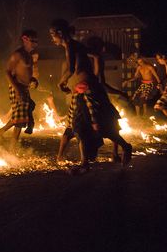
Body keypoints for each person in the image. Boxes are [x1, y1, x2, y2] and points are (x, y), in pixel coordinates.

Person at [50, 19, 131, 172]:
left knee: (92, 126)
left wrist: (61, 83)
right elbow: (95, 56)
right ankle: (84, 162)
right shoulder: (77, 45)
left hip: (88, 91)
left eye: (52, 34)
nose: (51, 38)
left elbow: (71, 68)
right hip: (82, 91)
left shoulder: (70, 46)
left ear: (60, 33)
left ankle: (122, 148)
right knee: (82, 126)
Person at [0, 29, 38, 149]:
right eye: (32, 40)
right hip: (17, 88)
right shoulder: (17, 54)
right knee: (19, 120)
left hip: (24, 88)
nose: (35, 43)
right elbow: (7, 72)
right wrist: (17, 89)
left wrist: (33, 80)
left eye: (36, 41)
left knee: (21, 116)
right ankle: (12, 149)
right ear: (24, 39)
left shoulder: (29, 56)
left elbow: (26, 73)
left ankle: (0, 133)